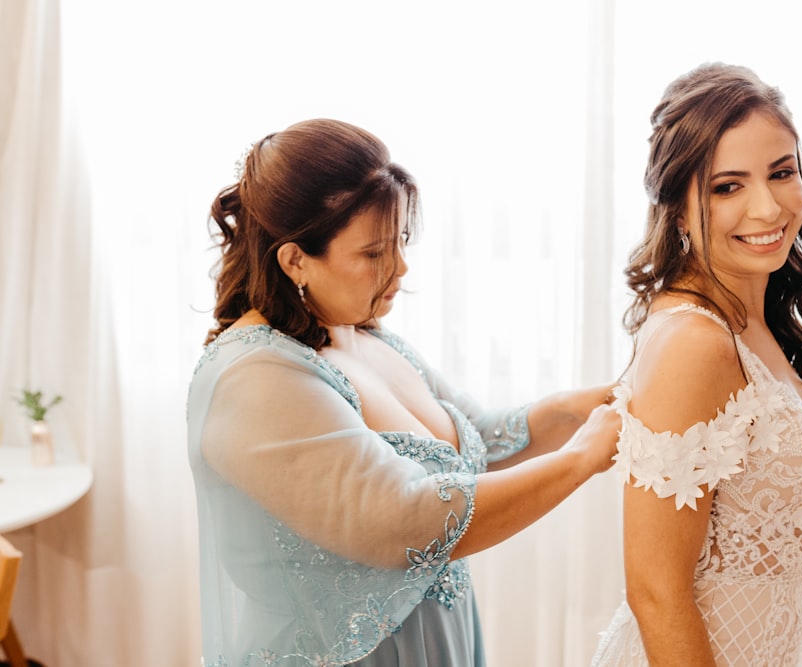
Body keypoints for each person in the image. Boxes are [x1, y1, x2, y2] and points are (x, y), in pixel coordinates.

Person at [186, 118, 621, 667]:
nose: (400, 267)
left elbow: (481, 436)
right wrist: (581, 460)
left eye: (401, 241)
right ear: (295, 259)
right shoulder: (256, 377)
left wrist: (602, 400)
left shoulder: (359, 331)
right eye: (373, 253)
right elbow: (403, 519)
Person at [590, 63, 802, 667]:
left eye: (782, 172)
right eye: (729, 186)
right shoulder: (694, 343)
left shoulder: (750, 315)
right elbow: (655, 591)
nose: (768, 207)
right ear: (676, 207)